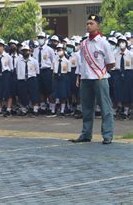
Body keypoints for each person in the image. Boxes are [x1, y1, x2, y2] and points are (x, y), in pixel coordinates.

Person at [70, 14, 115, 145]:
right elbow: (82, 62)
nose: (89, 26)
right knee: (87, 108)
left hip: (99, 79)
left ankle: (107, 135)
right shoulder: (83, 43)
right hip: (86, 79)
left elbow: (111, 63)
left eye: (91, 23)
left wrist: (100, 72)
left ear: (98, 25)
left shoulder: (103, 43)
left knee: (105, 108)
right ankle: (86, 134)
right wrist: (80, 76)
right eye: (87, 23)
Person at [33, 32, 55, 115]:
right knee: (40, 90)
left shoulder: (49, 50)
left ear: (45, 39)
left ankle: (52, 108)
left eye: (42, 37)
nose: (40, 39)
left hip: (47, 71)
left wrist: (53, 72)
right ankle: (43, 107)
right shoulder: (35, 50)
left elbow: (53, 61)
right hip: (38, 72)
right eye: (39, 37)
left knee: (49, 90)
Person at [0, 39, 14, 117]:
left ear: (3, 47)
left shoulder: (8, 56)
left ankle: (8, 109)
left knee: (8, 92)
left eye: (1, 46)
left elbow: (11, 67)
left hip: (6, 74)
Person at [15, 44, 39, 116]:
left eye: (26, 51)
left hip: (31, 79)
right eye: (23, 51)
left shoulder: (34, 61)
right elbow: (17, 71)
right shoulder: (19, 61)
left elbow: (37, 72)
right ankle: (24, 110)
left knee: (34, 95)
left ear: (30, 51)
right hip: (22, 80)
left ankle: (35, 109)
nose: (25, 52)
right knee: (23, 95)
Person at [114, 35, 132, 120]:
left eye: (123, 42)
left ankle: (126, 111)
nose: (121, 44)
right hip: (117, 73)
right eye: (120, 42)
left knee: (127, 92)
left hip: (128, 74)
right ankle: (119, 109)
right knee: (118, 92)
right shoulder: (115, 53)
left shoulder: (131, 54)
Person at [51, 44, 71, 117]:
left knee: (63, 95)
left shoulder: (67, 61)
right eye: (58, 50)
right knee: (54, 94)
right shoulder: (54, 61)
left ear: (64, 51)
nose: (59, 51)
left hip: (64, 77)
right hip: (56, 77)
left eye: (61, 50)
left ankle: (62, 110)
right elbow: (52, 71)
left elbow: (68, 72)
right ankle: (53, 110)